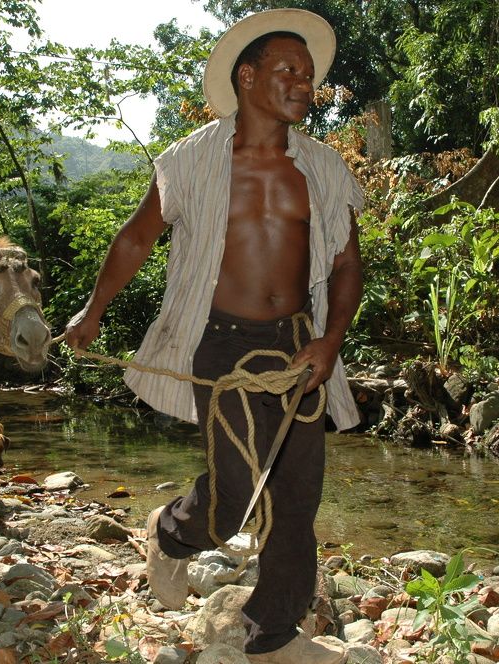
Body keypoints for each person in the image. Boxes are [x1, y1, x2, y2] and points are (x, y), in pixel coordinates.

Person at [65, 9, 362, 663]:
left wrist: (330, 341)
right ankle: (172, 532)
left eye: (308, 76)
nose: (302, 84)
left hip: (298, 346)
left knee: (294, 494)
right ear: (247, 77)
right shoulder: (191, 159)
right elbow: (138, 235)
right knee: (233, 500)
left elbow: (346, 265)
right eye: (288, 70)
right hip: (219, 345)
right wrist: (92, 312)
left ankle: (273, 638)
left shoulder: (322, 169)